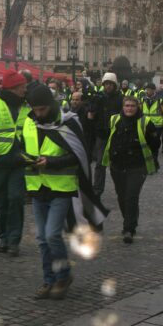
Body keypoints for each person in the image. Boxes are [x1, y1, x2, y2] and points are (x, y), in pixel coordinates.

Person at [19, 86, 106, 299]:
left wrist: (50, 162)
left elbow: (79, 154)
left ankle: (64, 274)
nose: (39, 113)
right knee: (41, 238)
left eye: (42, 109)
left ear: (50, 105)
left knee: (51, 235)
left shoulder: (68, 122)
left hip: (61, 187)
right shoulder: (29, 122)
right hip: (38, 187)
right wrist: (23, 159)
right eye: (35, 109)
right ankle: (49, 280)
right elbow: (21, 147)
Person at [102, 95, 158, 244]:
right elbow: (105, 135)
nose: (129, 108)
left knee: (131, 196)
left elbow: (155, 143)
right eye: (127, 106)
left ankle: (128, 228)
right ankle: (130, 220)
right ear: (123, 107)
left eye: (132, 106)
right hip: (117, 165)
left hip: (137, 166)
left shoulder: (145, 122)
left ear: (137, 107)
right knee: (121, 196)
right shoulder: (114, 120)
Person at [0, 70, 28, 257]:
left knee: (16, 198)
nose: (25, 91)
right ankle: (4, 237)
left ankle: (13, 241)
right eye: (22, 88)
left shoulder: (27, 104)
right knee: (1, 201)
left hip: (19, 160)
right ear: (12, 88)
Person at [90, 73, 123, 199]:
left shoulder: (120, 98)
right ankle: (97, 189)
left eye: (110, 84)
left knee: (117, 164)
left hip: (116, 134)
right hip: (101, 134)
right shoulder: (99, 97)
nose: (108, 86)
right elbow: (91, 112)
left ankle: (121, 189)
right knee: (100, 164)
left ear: (114, 85)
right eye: (106, 84)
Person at [140, 83, 163, 170]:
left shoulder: (160, 100)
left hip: (157, 126)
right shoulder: (143, 99)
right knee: (146, 144)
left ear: (153, 90)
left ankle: (155, 161)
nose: (147, 91)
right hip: (146, 125)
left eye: (149, 89)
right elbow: (139, 113)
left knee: (155, 144)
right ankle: (148, 162)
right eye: (147, 89)